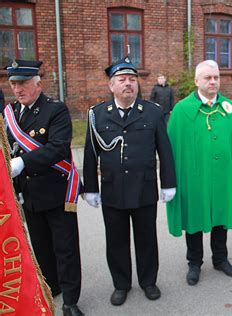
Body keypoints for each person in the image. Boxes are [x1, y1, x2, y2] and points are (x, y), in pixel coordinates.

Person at [82, 56, 176, 306]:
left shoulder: (153, 112)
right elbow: (91, 154)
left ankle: (148, 281)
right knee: (116, 240)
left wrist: (168, 182)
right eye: (122, 80)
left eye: (132, 80)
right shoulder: (97, 115)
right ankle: (121, 284)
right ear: (111, 86)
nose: (128, 84)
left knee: (147, 238)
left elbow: (164, 151)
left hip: (144, 188)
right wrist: (90, 187)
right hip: (112, 189)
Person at [3, 60, 83, 316]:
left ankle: (70, 301)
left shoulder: (55, 111)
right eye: (13, 83)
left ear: (38, 83)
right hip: (28, 195)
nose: (17, 89)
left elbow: (58, 148)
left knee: (65, 249)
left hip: (57, 193)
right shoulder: (12, 113)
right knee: (41, 246)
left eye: (23, 83)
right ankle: (53, 287)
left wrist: (21, 162)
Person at [166, 60, 232, 286]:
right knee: (194, 217)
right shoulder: (182, 110)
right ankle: (194, 263)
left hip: (223, 175)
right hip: (193, 177)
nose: (213, 82)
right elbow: (172, 147)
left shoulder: (230, 108)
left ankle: (220, 259)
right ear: (196, 81)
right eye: (208, 78)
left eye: (216, 78)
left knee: (220, 217)